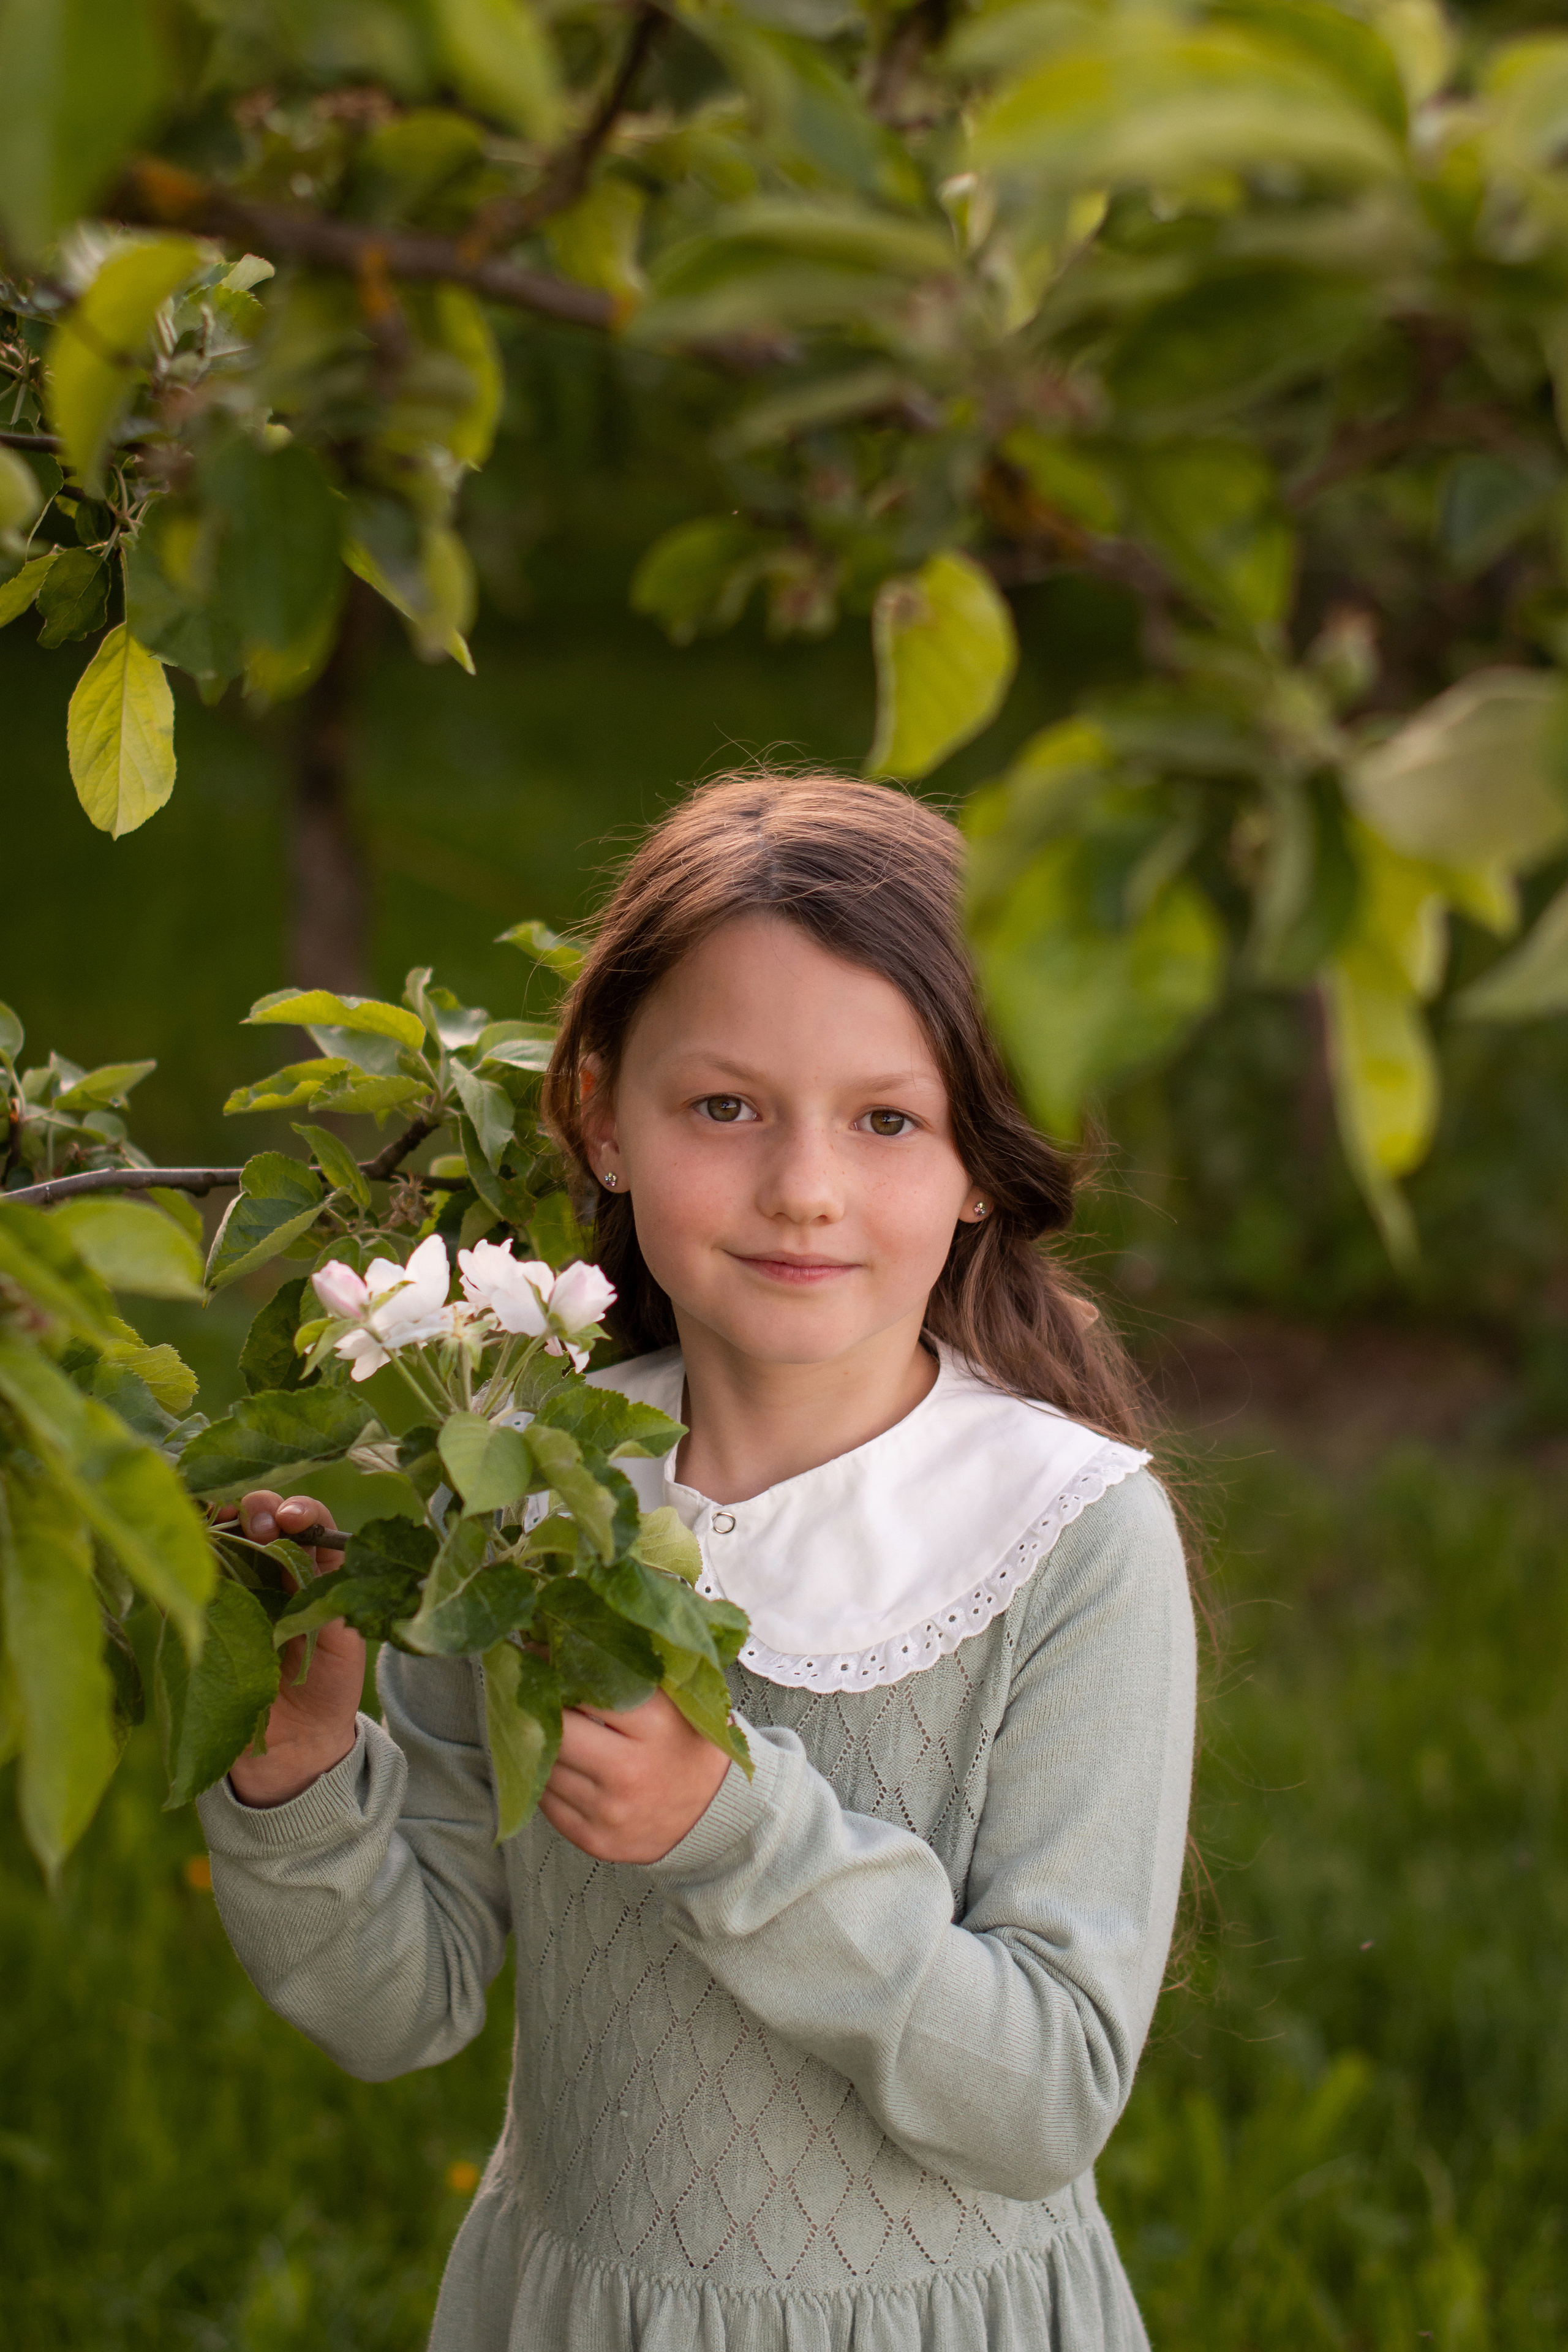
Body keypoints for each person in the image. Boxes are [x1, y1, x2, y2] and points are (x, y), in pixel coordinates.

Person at [202, 770, 1197, 2352]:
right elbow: (405, 2001)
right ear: (603, 1113)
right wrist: (299, 1764)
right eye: (725, 1107)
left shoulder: (1067, 1537)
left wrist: (726, 1833)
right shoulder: (526, 1489)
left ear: (978, 1162)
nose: (804, 1184)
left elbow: (1049, 2089)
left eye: (886, 1119)